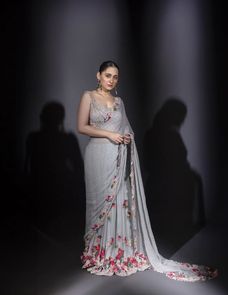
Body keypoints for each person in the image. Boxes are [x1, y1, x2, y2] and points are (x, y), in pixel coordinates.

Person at [77, 60, 218, 281]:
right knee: (98, 203)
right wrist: (109, 135)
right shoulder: (89, 97)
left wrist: (125, 137)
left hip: (118, 157)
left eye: (115, 77)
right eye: (107, 75)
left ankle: (117, 253)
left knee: (119, 204)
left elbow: (125, 128)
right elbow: (82, 126)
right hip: (97, 156)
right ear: (98, 76)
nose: (111, 80)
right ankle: (98, 253)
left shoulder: (119, 101)